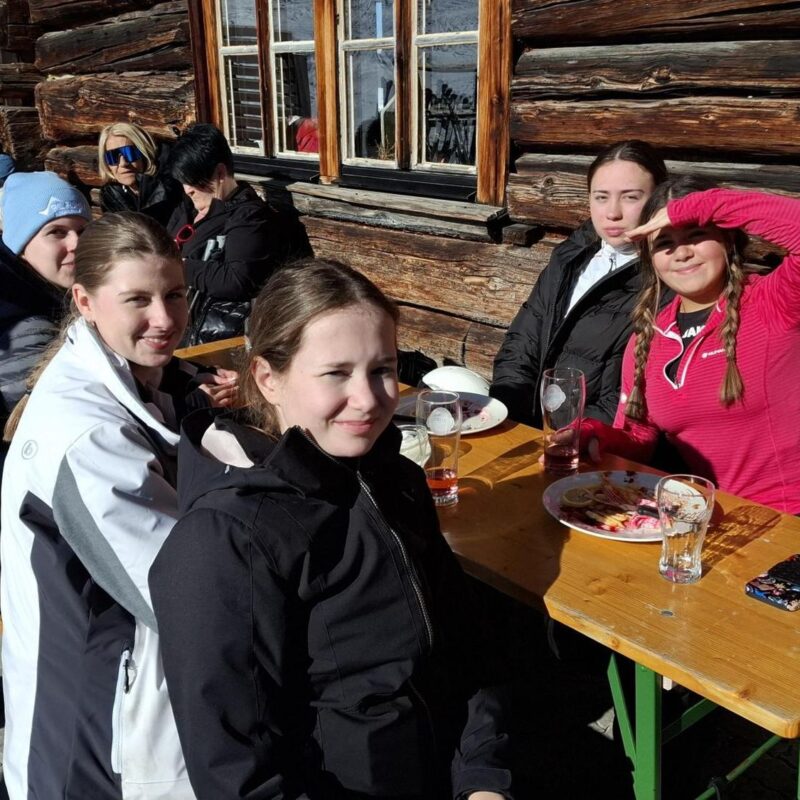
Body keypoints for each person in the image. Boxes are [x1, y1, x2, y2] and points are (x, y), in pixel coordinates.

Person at [149, 260, 514, 800]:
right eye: (335, 373)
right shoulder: (225, 541)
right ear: (268, 378)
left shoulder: (397, 479)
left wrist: (485, 778)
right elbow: (240, 777)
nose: (368, 399)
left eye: (383, 368)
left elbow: (464, 650)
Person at [1, 212, 235, 799]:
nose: (165, 318)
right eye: (138, 299)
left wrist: (190, 387)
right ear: (84, 301)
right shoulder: (87, 439)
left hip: (122, 710)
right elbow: (185, 599)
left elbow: (155, 390)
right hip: (87, 737)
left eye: (175, 294)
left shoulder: (127, 376)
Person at [581, 177, 800, 514]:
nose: (681, 253)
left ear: (727, 240)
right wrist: (594, 436)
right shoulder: (648, 337)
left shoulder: (775, 302)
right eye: (664, 243)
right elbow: (639, 434)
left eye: (696, 234)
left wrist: (702, 206)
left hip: (789, 522)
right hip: (709, 521)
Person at [491, 140, 668, 427]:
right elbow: (522, 342)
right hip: (533, 432)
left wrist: (569, 439)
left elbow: (628, 396)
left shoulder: (665, 280)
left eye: (631, 197)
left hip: (593, 449)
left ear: (659, 201)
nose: (613, 212)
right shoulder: (569, 257)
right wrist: (512, 415)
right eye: (601, 197)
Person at [166, 123, 295, 346]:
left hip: (208, 339)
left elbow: (237, 279)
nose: (188, 189)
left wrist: (177, 267)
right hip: (177, 329)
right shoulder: (186, 209)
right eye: (183, 181)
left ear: (220, 173)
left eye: (195, 180)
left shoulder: (248, 216)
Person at [0, 171, 92, 442]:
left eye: (82, 231)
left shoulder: (50, 296)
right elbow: (64, 424)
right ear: (21, 244)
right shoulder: (26, 330)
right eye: (57, 232)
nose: (76, 244)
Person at [98, 122, 183, 227]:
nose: (123, 163)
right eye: (112, 157)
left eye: (129, 153)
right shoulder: (112, 196)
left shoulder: (172, 186)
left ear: (144, 153)